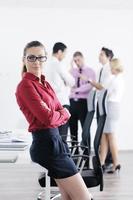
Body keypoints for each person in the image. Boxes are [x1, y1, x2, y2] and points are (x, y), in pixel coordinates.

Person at [15, 41, 92, 200]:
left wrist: (59, 112)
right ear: (24, 60)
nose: (36, 62)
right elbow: (49, 118)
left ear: (45, 59)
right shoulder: (25, 86)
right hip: (47, 146)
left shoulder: (46, 83)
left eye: (40, 57)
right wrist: (61, 113)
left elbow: (59, 109)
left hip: (57, 143)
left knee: (69, 197)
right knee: (84, 197)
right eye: (31, 57)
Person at [98, 58, 124, 173]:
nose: (110, 69)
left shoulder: (116, 80)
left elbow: (105, 91)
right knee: (104, 135)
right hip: (111, 107)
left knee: (111, 136)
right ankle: (101, 162)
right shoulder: (118, 79)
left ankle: (116, 163)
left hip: (111, 107)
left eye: (111, 67)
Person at [45, 42, 75, 141]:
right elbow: (71, 82)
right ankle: (62, 156)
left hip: (49, 104)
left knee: (53, 134)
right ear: (59, 52)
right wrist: (65, 83)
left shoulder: (45, 65)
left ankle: (53, 156)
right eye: (64, 53)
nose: (65, 56)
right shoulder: (58, 64)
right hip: (61, 103)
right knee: (62, 136)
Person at [69, 51, 96, 149]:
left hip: (83, 103)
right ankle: (74, 154)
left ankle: (86, 154)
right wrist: (71, 66)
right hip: (72, 103)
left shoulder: (90, 71)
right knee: (72, 129)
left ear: (83, 58)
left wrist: (76, 90)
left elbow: (89, 86)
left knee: (85, 130)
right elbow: (68, 83)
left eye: (78, 60)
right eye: (75, 61)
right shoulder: (73, 71)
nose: (77, 62)